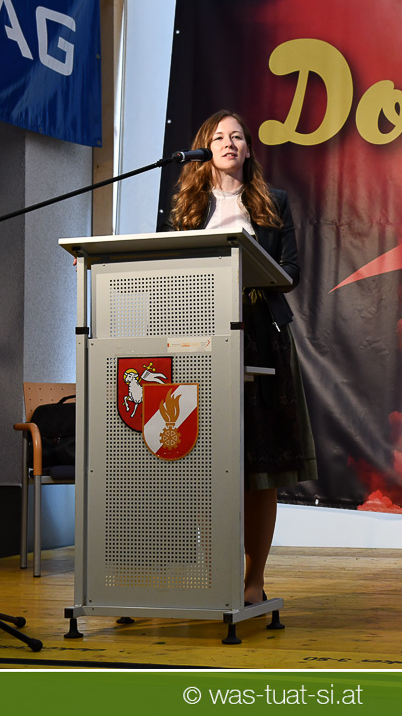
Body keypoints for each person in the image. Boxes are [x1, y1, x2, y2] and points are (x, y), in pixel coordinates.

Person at [159, 110, 317, 607]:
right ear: (204, 149)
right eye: (219, 137)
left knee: (260, 466)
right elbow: (164, 267)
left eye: (238, 137)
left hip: (261, 332)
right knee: (204, 463)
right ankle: (212, 572)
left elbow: (290, 272)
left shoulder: (274, 202)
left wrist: (249, 265)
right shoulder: (186, 207)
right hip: (199, 336)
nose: (229, 143)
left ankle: (253, 580)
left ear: (248, 149)